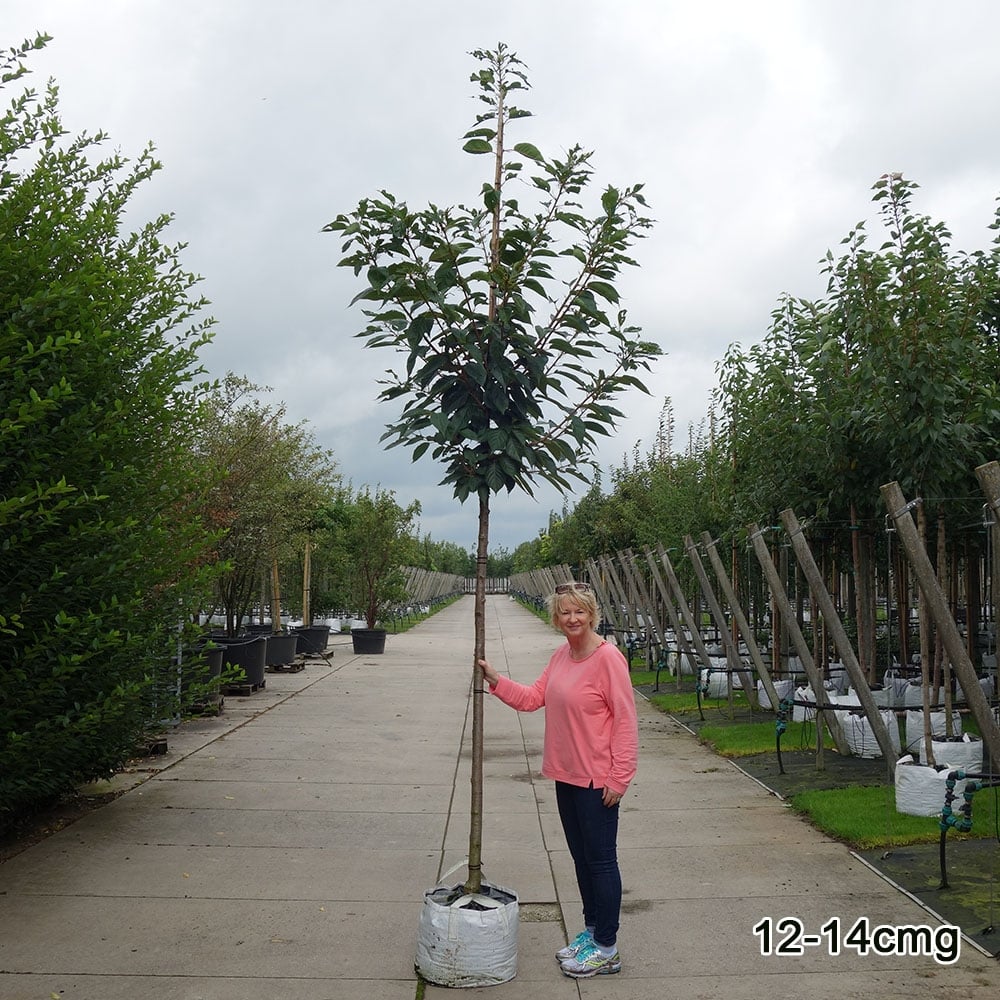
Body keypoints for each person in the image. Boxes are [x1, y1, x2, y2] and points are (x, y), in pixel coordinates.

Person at [478, 581, 639, 979]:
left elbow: (625, 722)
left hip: (596, 781)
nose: (572, 619)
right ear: (556, 617)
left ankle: (608, 947)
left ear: (592, 614)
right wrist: (495, 679)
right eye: (565, 612)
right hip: (565, 776)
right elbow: (534, 698)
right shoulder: (562, 657)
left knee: (601, 862)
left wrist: (620, 778)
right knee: (581, 860)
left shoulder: (609, 659)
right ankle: (591, 931)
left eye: (579, 611)